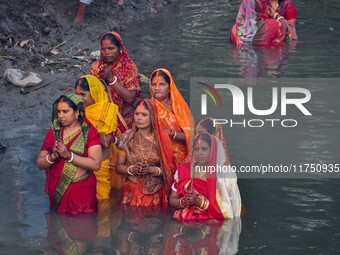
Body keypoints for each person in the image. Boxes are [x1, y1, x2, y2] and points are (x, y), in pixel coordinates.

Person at [37, 94, 102, 214]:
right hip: (57, 189)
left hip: (82, 190)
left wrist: (69, 156)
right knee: (57, 227)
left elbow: (96, 164)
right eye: (59, 111)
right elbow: (40, 164)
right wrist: (52, 157)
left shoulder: (89, 133)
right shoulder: (54, 132)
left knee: (83, 227)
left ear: (77, 111)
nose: (61, 116)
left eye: (65, 111)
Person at [116, 99, 177, 207]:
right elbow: (118, 167)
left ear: (153, 116)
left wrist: (152, 170)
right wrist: (131, 169)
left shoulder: (162, 139)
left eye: (144, 114)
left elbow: (171, 170)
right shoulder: (128, 137)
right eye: (136, 114)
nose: (139, 118)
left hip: (156, 193)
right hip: (132, 190)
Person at [169, 134, 241, 221]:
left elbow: (229, 208)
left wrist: (200, 202)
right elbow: (172, 199)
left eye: (204, 149)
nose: (199, 153)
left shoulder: (223, 174)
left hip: (212, 223)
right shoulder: (184, 170)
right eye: (196, 149)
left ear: (213, 151)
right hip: (183, 220)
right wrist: (183, 202)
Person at [76, 74, 121, 200]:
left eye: (83, 95)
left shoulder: (107, 111)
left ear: (94, 93)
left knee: (102, 207)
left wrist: (86, 125)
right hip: (79, 165)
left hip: (99, 168)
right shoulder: (75, 111)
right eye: (77, 94)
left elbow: (106, 142)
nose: (79, 99)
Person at [90, 32, 140, 129]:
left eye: (111, 48)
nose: (107, 52)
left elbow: (130, 99)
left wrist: (111, 79)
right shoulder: (96, 67)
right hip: (100, 117)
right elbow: (90, 95)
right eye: (103, 49)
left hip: (123, 117)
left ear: (120, 48)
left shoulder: (129, 68)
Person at [149, 68, 193, 164]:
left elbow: (192, 135)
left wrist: (169, 133)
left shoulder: (179, 107)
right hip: (157, 154)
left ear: (170, 87)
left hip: (182, 154)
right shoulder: (147, 107)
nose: (157, 88)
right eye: (153, 84)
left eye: (161, 84)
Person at [230, 0, 297, 46]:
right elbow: (291, 32)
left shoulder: (234, 31)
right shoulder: (275, 26)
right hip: (271, 55)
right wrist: (276, 15)